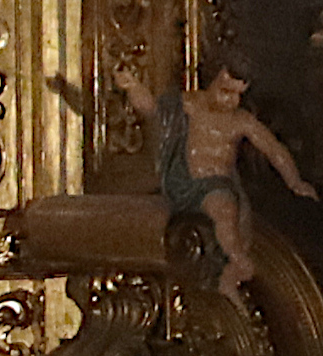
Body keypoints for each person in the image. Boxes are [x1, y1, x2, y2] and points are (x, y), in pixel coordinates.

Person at [126, 59, 313, 300]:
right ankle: (235, 256)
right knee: (220, 207)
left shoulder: (240, 120)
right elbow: (150, 107)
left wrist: (295, 181)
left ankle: (231, 270)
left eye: (237, 95)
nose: (230, 101)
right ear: (211, 82)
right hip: (185, 182)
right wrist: (133, 86)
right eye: (225, 92)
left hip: (219, 185)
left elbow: (273, 149)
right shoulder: (187, 105)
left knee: (226, 207)